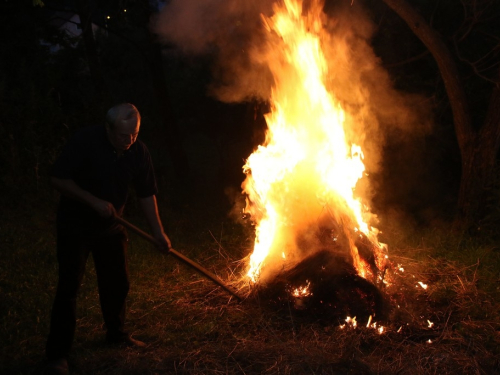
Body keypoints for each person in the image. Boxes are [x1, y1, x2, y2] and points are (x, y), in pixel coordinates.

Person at [45, 103, 172, 374]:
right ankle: (57, 355)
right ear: (108, 128)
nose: (129, 141)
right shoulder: (85, 141)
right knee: (69, 287)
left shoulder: (138, 151)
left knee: (117, 283)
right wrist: (92, 201)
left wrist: (158, 232)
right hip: (75, 225)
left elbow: (146, 194)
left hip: (111, 227)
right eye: (123, 135)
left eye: (134, 134)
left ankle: (116, 334)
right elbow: (58, 178)